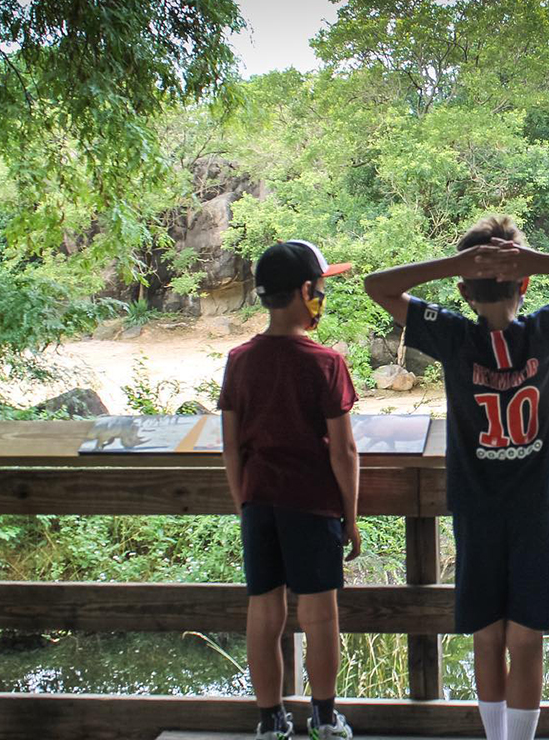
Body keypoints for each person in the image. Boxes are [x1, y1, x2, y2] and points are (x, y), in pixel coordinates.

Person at [363, 216, 549, 740]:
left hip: (475, 508)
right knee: (527, 639)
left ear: (461, 291)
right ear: (525, 283)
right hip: (535, 507)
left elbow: (378, 286)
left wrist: (453, 265)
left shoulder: (452, 334)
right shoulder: (546, 328)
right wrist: (537, 260)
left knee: (487, 635)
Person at [219, 239, 362, 740]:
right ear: (305, 291)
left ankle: (270, 720)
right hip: (313, 503)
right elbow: (343, 452)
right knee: (320, 616)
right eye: (320, 287)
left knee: (264, 610)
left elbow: (230, 445)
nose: (323, 295)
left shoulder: (239, 360)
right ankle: (323, 718)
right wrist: (352, 517)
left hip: (259, 503)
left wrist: (244, 504)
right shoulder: (326, 362)